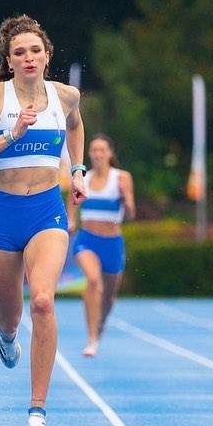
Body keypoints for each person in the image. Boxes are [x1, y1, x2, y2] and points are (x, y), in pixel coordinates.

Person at [0, 14, 86, 426]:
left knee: (43, 302)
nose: (28, 57)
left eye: (35, 50)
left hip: (47, 211)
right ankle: (7, 334)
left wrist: (77, 170)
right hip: (4, 213)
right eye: (19, 52)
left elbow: (76, 126)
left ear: (47, 55)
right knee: (10, 317)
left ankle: (37, 412)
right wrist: (10, 135)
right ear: (8, 60)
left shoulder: (66, 96)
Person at [66, 134, 135, 358]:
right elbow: (72, 204)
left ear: (109, 153)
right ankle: (91, 337)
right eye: (94, 150)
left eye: (102, 150)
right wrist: (70, 220)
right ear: (89, 153)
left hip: (112, 244)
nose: (97, 154)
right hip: (87, 241)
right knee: (93, 280)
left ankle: (100, 324)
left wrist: (125, 197)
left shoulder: (121, 177)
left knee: (109, 298)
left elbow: (131, 214)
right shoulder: (82, 178)